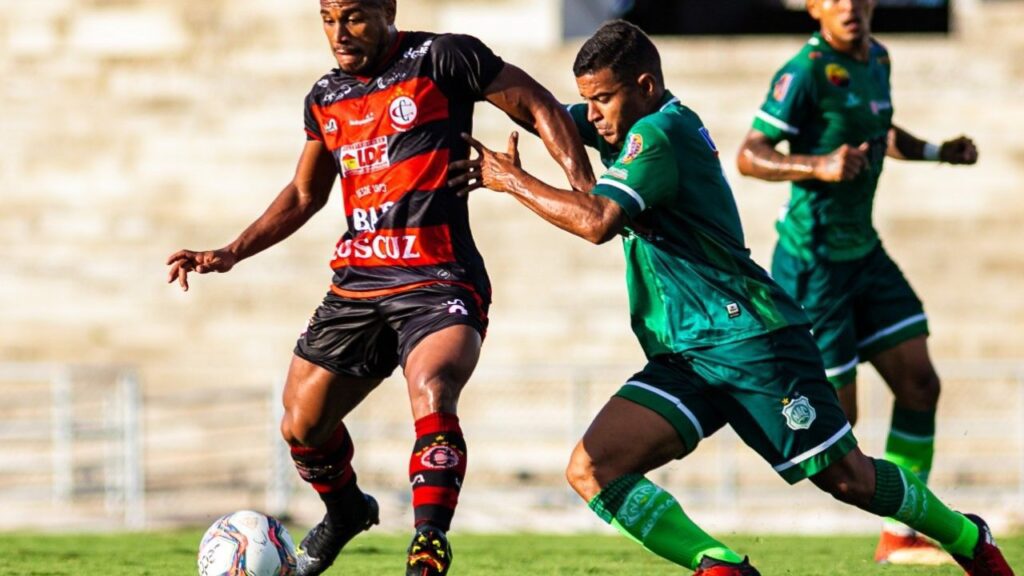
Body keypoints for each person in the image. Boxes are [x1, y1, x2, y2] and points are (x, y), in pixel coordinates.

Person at [451, 19, 1013, 576]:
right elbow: (546, 114)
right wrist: (470, 82)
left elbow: (597, 220)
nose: (592, 115)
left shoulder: (660, 135)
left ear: (645, 87)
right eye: (587, 101)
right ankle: (720, 568)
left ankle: (968, 537)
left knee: (848, 478)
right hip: (688, 350)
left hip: (749, 338)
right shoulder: (630, 123)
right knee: (593, 468)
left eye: (602, 101)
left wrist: (513, 181)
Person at [166, 1, 594, 575]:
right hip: (358, 282)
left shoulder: (442, 57)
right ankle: (346, 512)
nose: (339, 33)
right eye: (327, 18)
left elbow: (537, 103)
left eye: (354, 16)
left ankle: (428, 543)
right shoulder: (325, 96)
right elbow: (303, 195)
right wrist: (230, 252)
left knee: (434, 388)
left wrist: (585, 184)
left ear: (388, 9)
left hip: (437, 275)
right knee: (301, 425)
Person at [735, 0, 979, 564]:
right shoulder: (804, 70)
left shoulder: (880, 60)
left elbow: (879, 129)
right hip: (813, 261)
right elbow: (750, 155)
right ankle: (743, 393)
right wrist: (815, 166)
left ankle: (901, 538)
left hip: (863, 254)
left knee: (920, 384)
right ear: (814, 8)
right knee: (841, 422)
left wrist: (939, 152)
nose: (849, 6)